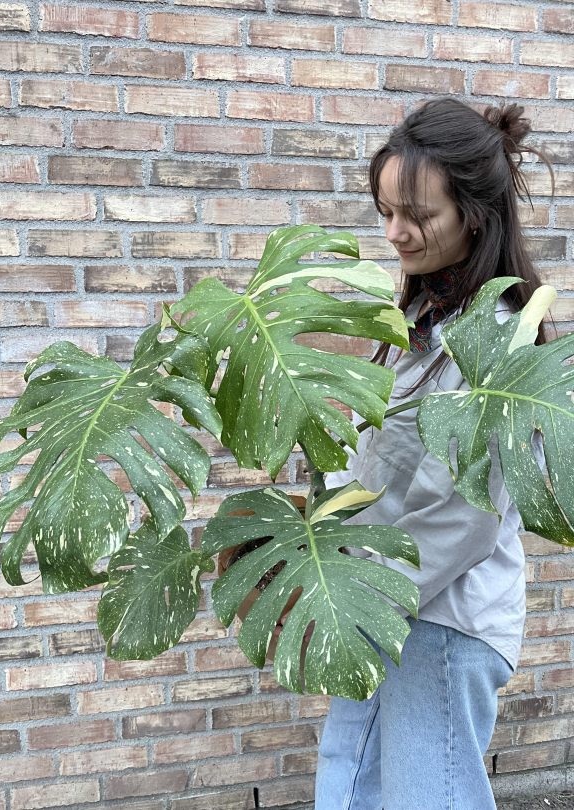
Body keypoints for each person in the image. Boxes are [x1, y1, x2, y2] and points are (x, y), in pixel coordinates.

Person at [275, 98, 555, 810]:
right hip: (384, 606)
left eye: (417, 216)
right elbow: (378, 467)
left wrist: (362, 594)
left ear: (474, 215)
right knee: (348, 782)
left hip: (438, 618)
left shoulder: (495, 334)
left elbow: (464, 515)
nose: (395, 232)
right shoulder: (421, 317)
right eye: (385, 211)